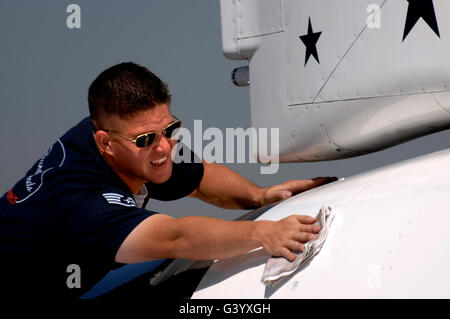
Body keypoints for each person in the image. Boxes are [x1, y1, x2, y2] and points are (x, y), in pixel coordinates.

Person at [0, 62, 336, 301]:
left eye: (171, 130)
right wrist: (264, 233)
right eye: (147, 139)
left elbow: (201, 177)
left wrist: (259, 195)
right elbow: (175, 237)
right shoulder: (83, 202)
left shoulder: (122, 140)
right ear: (105, 143)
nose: (164, 147)